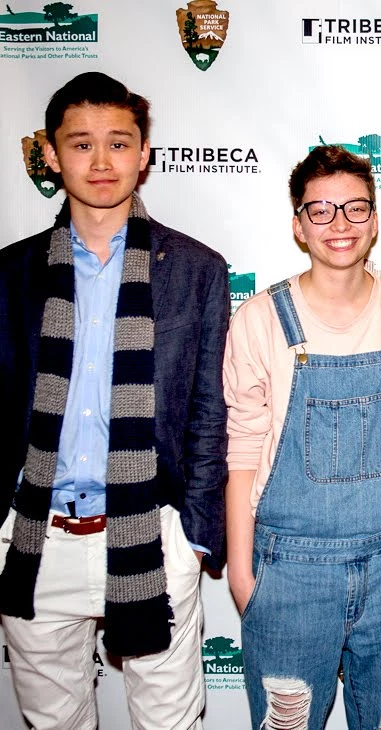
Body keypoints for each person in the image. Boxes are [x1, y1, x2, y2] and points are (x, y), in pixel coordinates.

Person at [0, 72, 229, 729]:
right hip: (36, 538)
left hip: (153, 537)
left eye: (119, 143)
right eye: (81, 144)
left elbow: (209, 415)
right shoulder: (10, 274)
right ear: (49, 154)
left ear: (145, 154)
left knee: (169, 724)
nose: (101, 163)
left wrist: (193, 539)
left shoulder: (196, 269)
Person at [222, 145, 381, 729]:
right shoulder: (261, 319)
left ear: (375, 221)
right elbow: (240, 450)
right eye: (321, 211)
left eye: (355, 209)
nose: (340, 225)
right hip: (289, 569)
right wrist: (243, 576)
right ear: (298, 225)